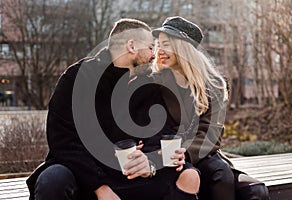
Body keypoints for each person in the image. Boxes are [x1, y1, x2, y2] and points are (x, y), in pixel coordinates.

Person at [26, 18, 200, 200]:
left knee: (187, 173)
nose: (154, 55)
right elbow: (63, 141)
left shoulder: (149, 84)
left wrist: (150, 163)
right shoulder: (78, 77)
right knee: (53, 179)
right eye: (150, 47)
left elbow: (159, 134)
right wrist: (100, 187)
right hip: (83, 172)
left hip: (129, 172)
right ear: (132, 46)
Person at [151, 16, 270, 200]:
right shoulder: (155, 81)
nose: (160, 50)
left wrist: (186, 152)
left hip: (199, 152)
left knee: (255, 190)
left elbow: (211, 134)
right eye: (158, 45)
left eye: (166, 44)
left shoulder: (214, 84)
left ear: (183, 48)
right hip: (166, 155)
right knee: (220, 176)